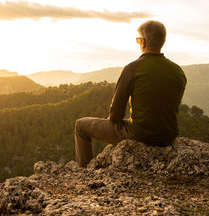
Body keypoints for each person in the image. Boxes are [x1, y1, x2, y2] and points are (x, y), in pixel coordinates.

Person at [74, 20, 187, 167]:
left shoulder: (132, 68)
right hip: (168, 137)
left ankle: (84, 173)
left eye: (138, 39)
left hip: (140, 135)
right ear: (162, 41)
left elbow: (116, 113)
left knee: (80, 125)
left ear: (143, 42)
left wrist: (116, 125)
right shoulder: (178, 72)